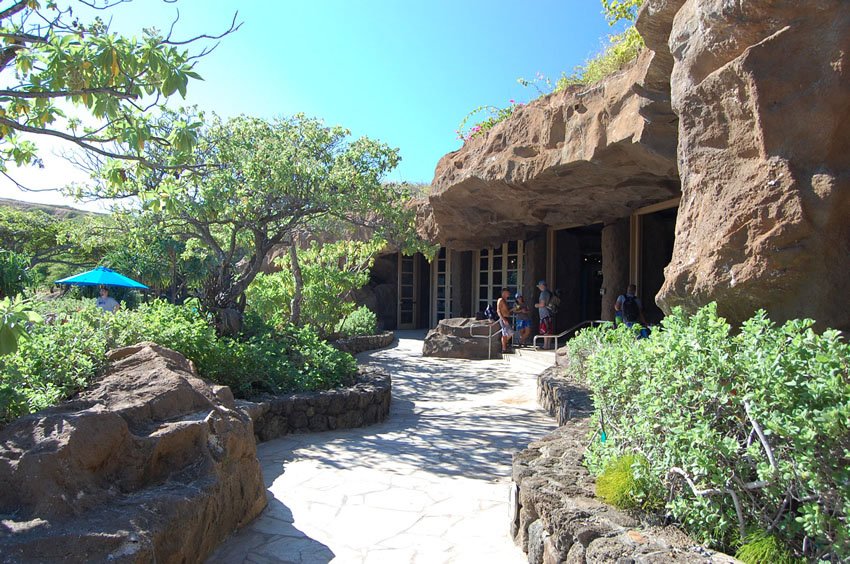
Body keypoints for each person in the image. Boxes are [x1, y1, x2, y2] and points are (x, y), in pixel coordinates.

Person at [535, 280, 553, 348]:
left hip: (545, 314)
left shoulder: (543, 293)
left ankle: (545, 345)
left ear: (542, 286)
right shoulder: (549, 292)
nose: (539, 287)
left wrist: (536, 305)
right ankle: (548, 345)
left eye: (539, 286)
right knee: (549, 330)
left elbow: (542, 304)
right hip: (550, 314)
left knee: (545, 330)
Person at [496, 287, 514, 354]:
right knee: (506, 333)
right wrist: (503, 319)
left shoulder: (505, 301)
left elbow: (507, 311)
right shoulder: (500, 300)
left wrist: (513, 309)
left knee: (508, 333)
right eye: (507, 292)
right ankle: (504, 348)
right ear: (503, 293)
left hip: (507, 318)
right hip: (504, 319)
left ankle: (504, 346)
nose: (508, 294)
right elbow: (498, 310)